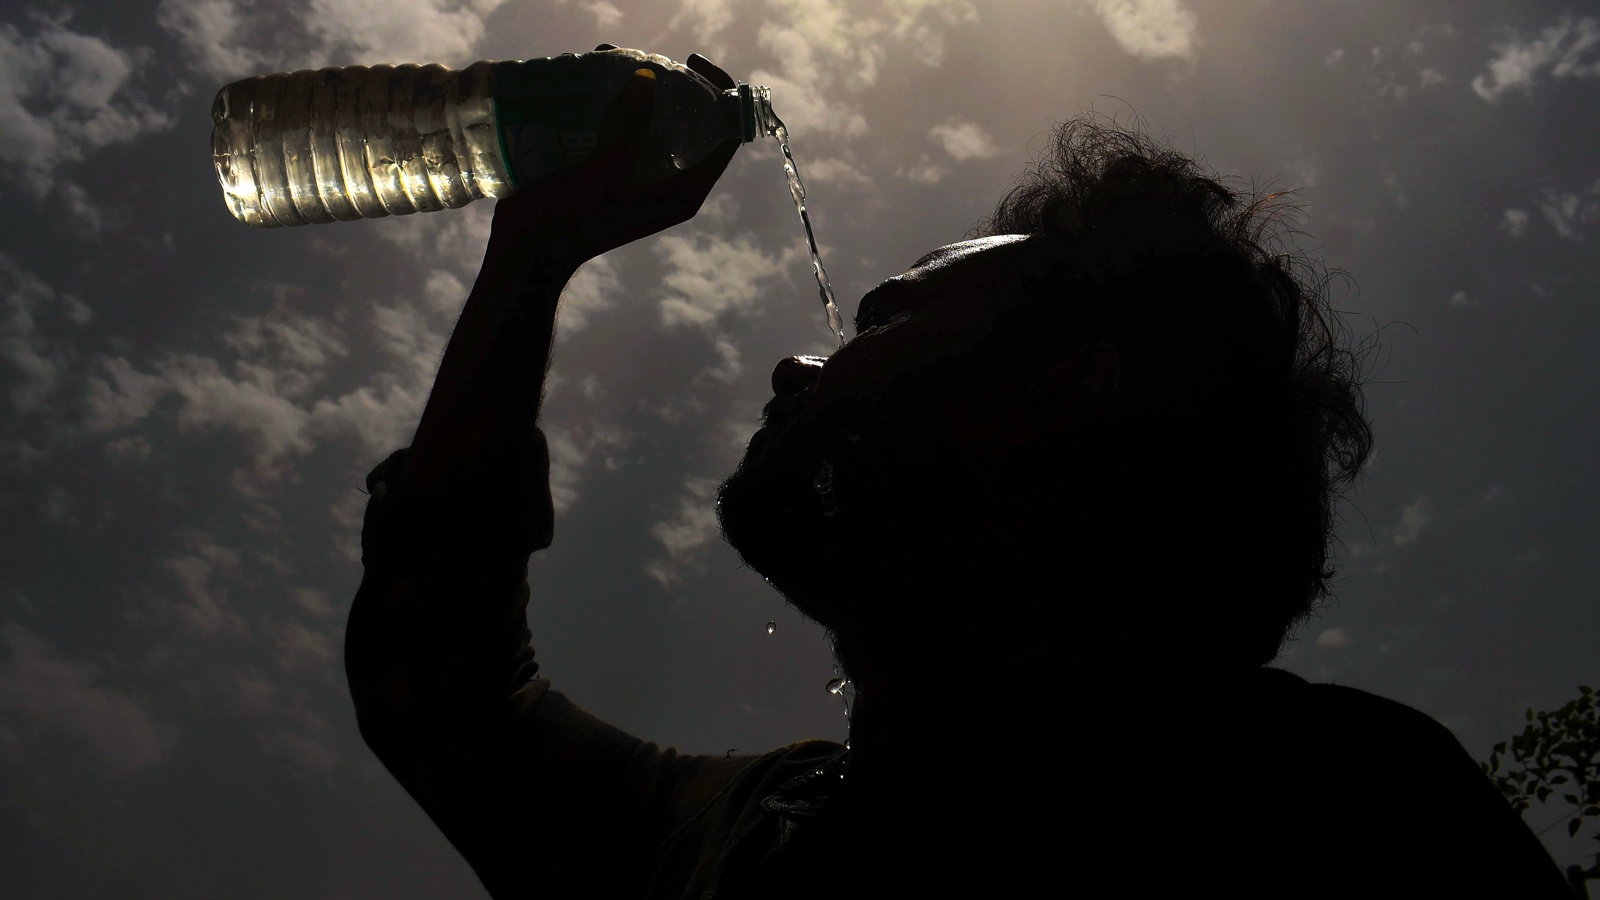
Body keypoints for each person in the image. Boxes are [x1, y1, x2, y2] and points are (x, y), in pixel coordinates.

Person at [343, 47, 1574, 898]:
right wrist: (533, 254)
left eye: (882, 318)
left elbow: (443, 696)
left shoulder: (1327, 807)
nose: (795, 363)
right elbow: (442, 691)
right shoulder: (757, 832)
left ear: (1070, 387)